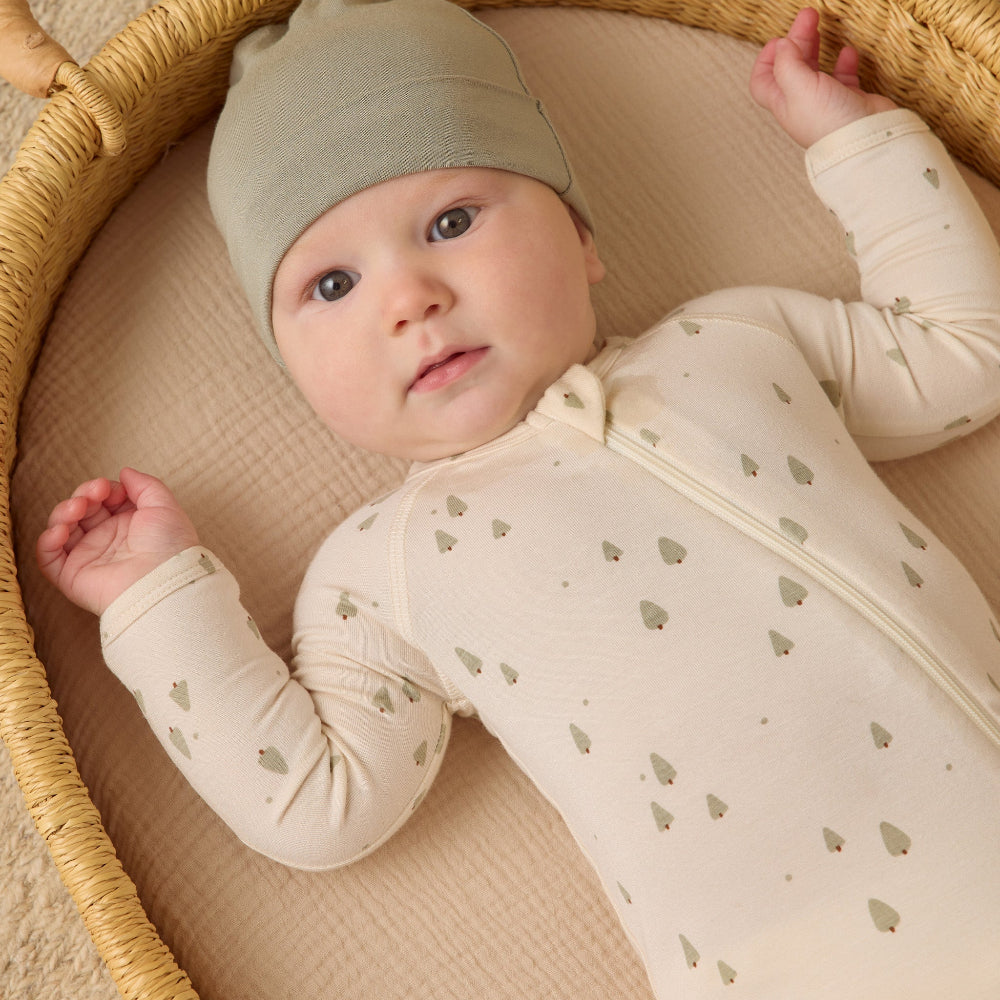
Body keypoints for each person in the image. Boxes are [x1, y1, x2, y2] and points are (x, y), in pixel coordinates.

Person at [36, 1, 1000, 996]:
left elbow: (967, 354)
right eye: (331, 286)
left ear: (581, 237)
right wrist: (158, 598)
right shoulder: (384, 570)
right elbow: (317, 803)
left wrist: (857, 140)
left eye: (450, 223)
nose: (408, 297)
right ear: (296, 378)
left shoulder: (738, 347)